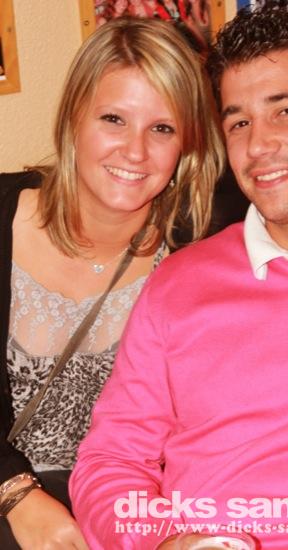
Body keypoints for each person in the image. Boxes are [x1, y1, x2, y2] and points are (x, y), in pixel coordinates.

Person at [70, 5, 288, 549]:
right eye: (239, 122)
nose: (257, 145)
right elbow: (112, 460)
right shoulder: (181, 283)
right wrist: (161, 542)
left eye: (286, 110)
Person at [0, 15, 224, 550]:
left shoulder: (201, 255)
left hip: (127, 515)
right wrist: (16, 495)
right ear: (74, 117)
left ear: (187, 142)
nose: (135, 151)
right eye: (114, 119)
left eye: (162, 128)